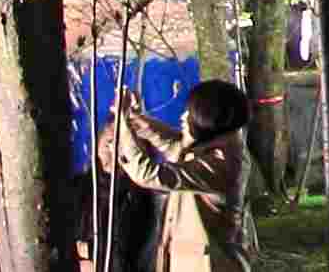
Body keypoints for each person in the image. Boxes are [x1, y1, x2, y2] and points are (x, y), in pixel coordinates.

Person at [96, 81, 251, 272]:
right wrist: (134, 119)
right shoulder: (215, 145)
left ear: (210, 118)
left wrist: (122, 124)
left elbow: (147, 173)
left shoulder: (222, 162)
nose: (183, 118)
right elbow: (174, 145)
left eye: (190, 113)